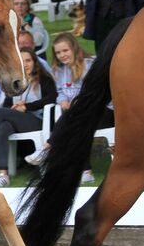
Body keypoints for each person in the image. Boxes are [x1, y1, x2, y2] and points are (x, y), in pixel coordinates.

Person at [25, 34, 104, 185]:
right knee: (75, 121)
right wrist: (62, 102)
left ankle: (47, 148)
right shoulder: (60, 71)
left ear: (74, 49)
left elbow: (94, 91)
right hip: (76, 115)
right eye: (58, 53)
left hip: (98, 111)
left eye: (65, 50)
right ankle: (85, 171)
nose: (62, 55)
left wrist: (75, 102)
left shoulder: (90, 64)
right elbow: (60, 92)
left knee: (74, 117)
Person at [0, 47, 57, 187]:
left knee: (0, 113)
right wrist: (14, 108)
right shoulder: (15, 81)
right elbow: (6, 103)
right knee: (3, 127)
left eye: (28, 60)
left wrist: (27, 107)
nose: (26, 64)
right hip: (18, 122)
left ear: (35, 62)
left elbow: (51, 99)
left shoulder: (44, 79)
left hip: (39, 121)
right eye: (22, 61)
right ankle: (3, 174)